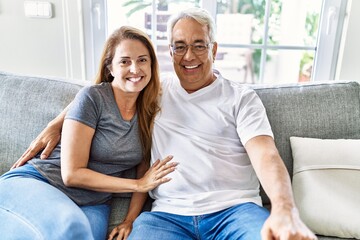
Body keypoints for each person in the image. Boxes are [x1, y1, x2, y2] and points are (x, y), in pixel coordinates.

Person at [12, 8, 317, 240]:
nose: (189, 56)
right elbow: (103, 91)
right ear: (169, 52)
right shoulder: (154, 90)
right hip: (167, 216)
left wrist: (284, 208)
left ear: (213, 49)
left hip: (233, 211)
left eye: (199, 45)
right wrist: (58, 122)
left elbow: (266, 155)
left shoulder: (241, 98)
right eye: (179, 46)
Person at [0, 26, 177, 240]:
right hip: (43, 182)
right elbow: (72, 174)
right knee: (70, 228)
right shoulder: (94, 98)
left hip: (94, 203)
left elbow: (144, 170)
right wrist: (138, 184)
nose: (135, 69)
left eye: (142, 60)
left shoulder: (152, 108)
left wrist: (130, 219)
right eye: (124, 61)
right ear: (110, 68)